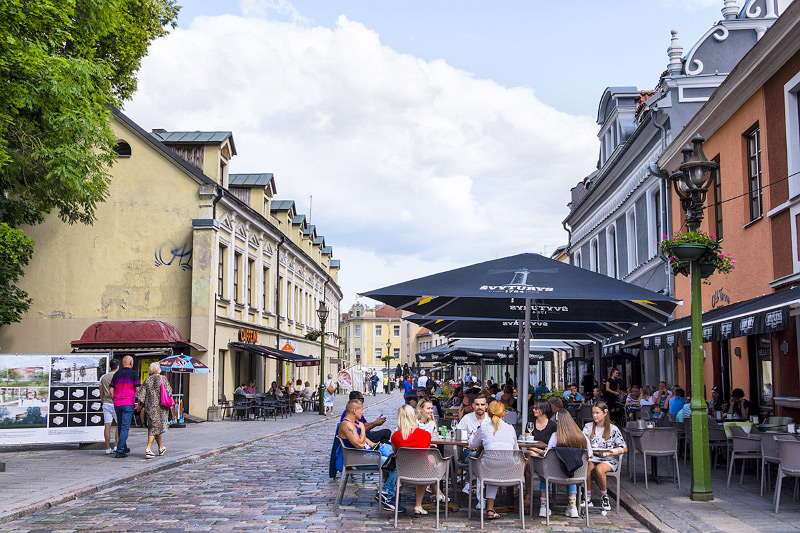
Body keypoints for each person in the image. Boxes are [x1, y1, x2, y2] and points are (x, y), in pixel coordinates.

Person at [534, 409, 593, 518]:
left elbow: (547, 455)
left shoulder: (555, 436)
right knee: (571, 469)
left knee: (543, 476)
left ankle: (544, 507)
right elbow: (590, 455)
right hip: (575, 475)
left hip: (554, 474)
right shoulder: (582, 437)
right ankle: (572, 507)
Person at [468, 400, 519, 520]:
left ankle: (472, 489)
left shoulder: (484, 428)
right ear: (504, 414)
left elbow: (472, 444)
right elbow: (516, 450)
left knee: (487, 464)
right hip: (510, 470)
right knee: (495, 466)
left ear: (488, 413)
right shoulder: (510, 428)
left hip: (489, 469)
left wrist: (474, 436)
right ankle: (490, 509)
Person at [381, 404, 433, 515]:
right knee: (426, 463)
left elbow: (395, 452)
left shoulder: (396, 436)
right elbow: (426, 451)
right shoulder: (426, 434)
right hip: (423, 472)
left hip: (403, 472)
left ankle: (387, 492)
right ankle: (418, 505)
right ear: (413, 416)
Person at [583, 402, 627, 511]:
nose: (595, 416)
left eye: (597, 413)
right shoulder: (588, 427)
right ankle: (587, 496)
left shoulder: (613, 429)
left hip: (608, 458)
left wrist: (610, 453)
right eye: (593, 413)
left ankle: (604, 496)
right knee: (586, 467)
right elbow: (582, 442)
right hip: (593, 457)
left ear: (605, 413)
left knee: (599, 469)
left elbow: (624, 448)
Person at [135, 362, 173, 458]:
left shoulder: (147, 380)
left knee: (155, 427)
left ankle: (161, 448)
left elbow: (141, 394)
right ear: (158, 369)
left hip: (150, 407)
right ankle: (148, 449)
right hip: (161, 407)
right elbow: (169, 392)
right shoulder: (163, 379)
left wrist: (139, 405)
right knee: (154, 428)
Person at [456, 393, 491, 493]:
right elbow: (456, 436)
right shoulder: (467, 418)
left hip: (487, 452)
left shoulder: (490, 419)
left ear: (486, 406)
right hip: (469, 451)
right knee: (476, 456)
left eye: (482, 404)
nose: (480, 407)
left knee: (484, 457)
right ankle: (477, 485)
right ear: (473, 406)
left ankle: (470, 482)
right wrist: (468, 445)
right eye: (477, 404)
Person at [109, 355, 140, 459]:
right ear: (131, 363)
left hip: (117, 403)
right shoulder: (133, 374)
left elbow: (111, 389)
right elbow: (138, 389)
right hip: (128, 402)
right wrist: (139, 403)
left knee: (120, 425)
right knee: (125, 427)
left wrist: (115, 398)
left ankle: (124, 447)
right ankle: (120, 450)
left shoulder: (116, 374)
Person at [99, 359, 120, 454]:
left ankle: (107, 447)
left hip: (106, 403)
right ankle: (116, 445)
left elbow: (101, 392)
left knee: (107, 425)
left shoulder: (103, 377)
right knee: (119, 425)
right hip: (115, 402)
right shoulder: (117, 376)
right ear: (117, 367)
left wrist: (103, 400)